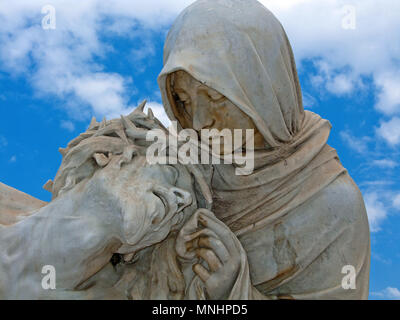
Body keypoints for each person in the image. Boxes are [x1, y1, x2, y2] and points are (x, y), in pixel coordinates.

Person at [158, 0, 370, 299]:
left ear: (264, 88)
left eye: (215, 96)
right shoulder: (172, 172)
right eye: (185, 99)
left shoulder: (335, 206)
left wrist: (235, 290)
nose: (199, 121)